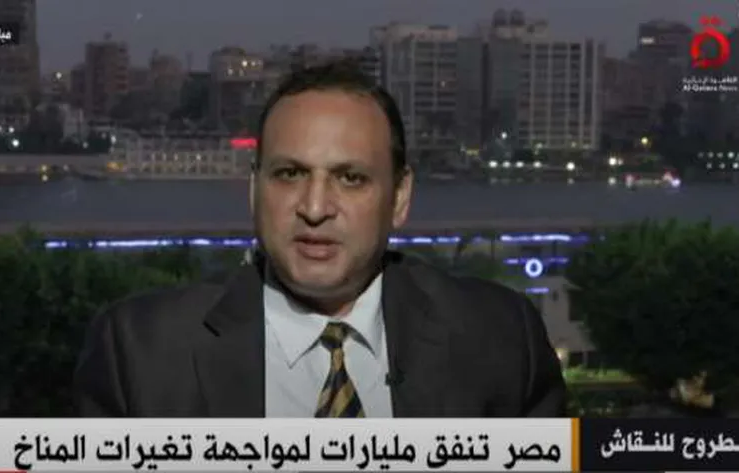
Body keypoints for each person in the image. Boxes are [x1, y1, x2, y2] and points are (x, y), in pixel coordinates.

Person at [73, 61, 566, 417]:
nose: (314, 208)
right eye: (290, 174)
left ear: (399, 197)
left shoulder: (500, 338)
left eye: (350, 178)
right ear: (254, 190)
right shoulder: (139, 353)